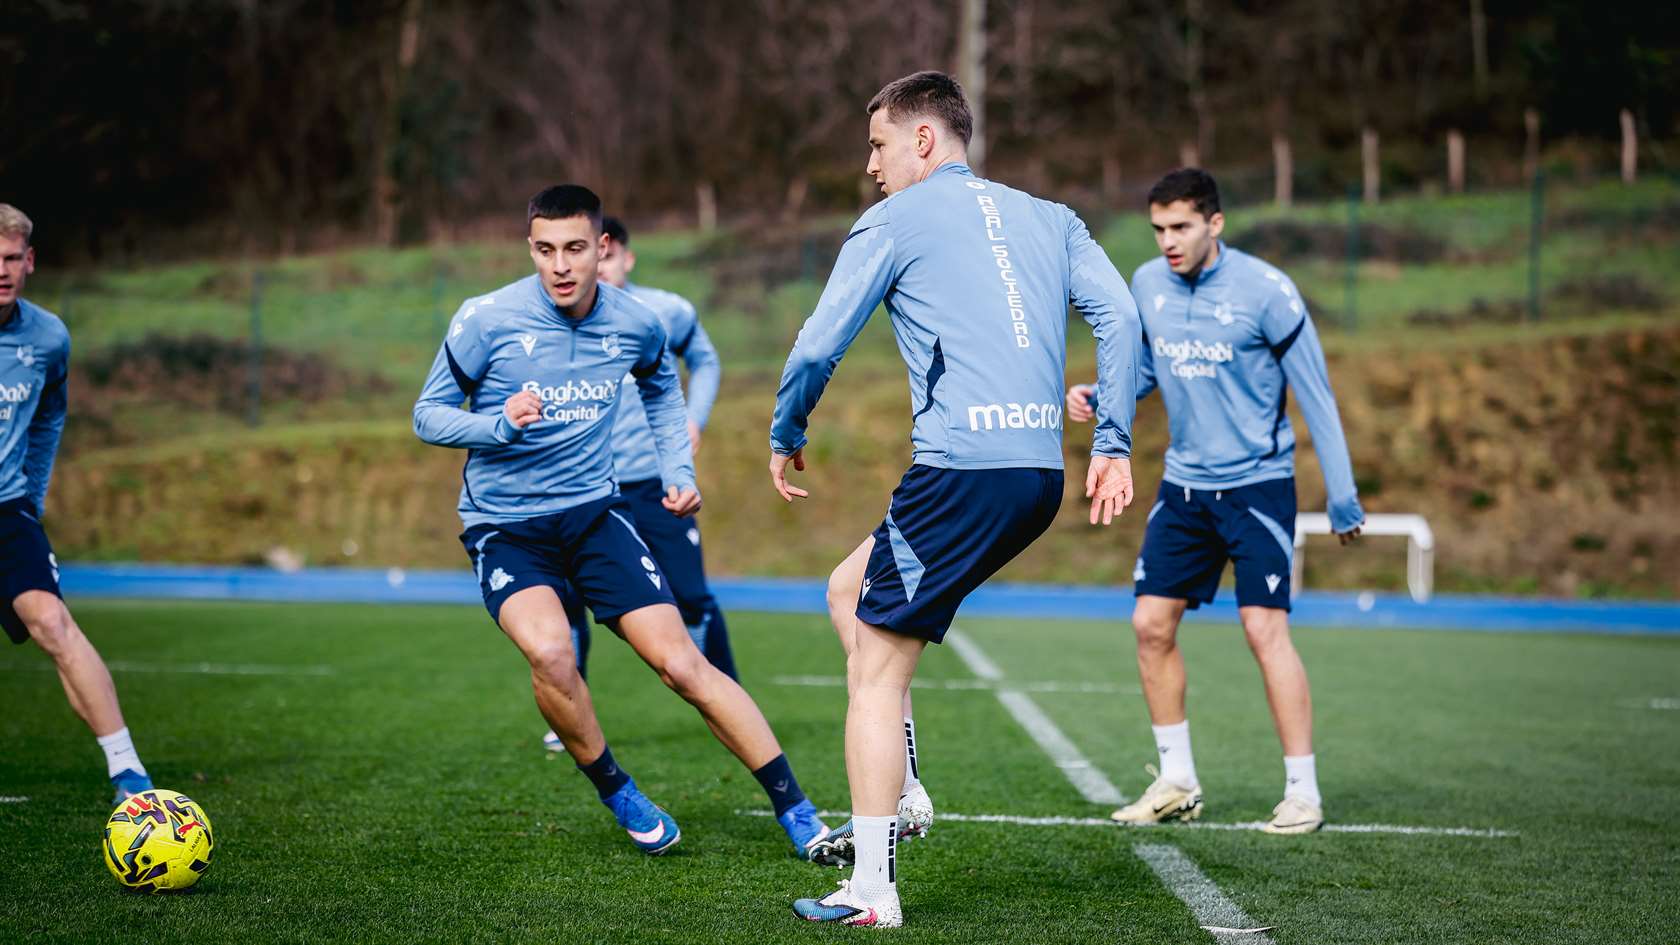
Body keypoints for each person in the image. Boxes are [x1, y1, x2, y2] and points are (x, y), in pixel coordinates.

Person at [771, 72, 1143, 928]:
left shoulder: (894, 219)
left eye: (878, 145)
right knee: (847, 590)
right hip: (1037, 477)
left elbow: (818, 344)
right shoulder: (1054, 217)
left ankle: (872, 886)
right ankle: (903, 787)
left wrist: (785, 429)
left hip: (959, 475)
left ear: (924, 139)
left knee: (875, 668)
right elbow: (1121, 318)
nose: (871, 165)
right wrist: (1113, 441)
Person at [413, 185, 828, 858]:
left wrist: (678, 471)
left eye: (575, 248)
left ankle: (800, 813)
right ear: (530, 249)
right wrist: (496, 425)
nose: (560, 266)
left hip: (595, 518)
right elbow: (427, 414)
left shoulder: (638, 322)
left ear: (602, 247)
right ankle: (618, 790)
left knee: (682, 664)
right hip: (506, 528)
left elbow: (662, 391)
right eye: (545, 250)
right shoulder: (485, 319)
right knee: (552, 652)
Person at [1065, 168, 1365, 835]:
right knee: (1150, 624)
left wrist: (1342, 494)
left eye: (1181, 227)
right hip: (1185, 487)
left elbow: (1315, 392)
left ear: (1215, 223)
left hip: (1258, 486)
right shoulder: (1148, 283)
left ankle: (1303, 793)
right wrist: (1102, 394)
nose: (1168, 241)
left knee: (1263, 629)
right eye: (1159, 229)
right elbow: (1149, 369)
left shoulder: (1267, 292)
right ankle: (1176, 782)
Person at [539, 216, 733, 754]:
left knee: (691, 598)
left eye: (606, 256)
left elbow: (706, 360)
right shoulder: (550, 322)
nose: (597, 266)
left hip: (652, 483)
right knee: (566, 601)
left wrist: (695, 417)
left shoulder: (663, 312)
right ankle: (569, 716)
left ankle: (727, 698)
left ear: (625, 257)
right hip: (581, 488)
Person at [0, 203, 154, 805]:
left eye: (11, 258)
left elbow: (48, 420)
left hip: (8, 511)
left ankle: (130, 775)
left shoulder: (48, 339)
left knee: (54, 623)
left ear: (30, 261)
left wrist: (31, 499)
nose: (2, 271)